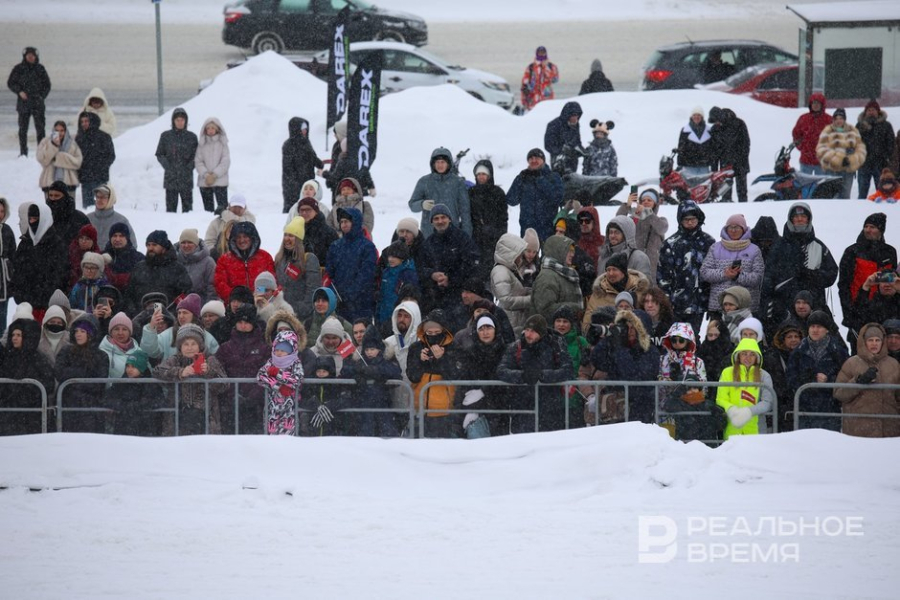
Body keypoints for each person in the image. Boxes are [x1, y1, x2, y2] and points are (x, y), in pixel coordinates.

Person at [760, 203, 838, 334]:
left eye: (803, 216)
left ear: (809, 219)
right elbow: (768, 276)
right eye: (796, 216)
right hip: (783, 307)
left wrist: (813, 275)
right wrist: (770, 301)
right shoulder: (779, 246)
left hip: (814, 306)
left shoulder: (819, 246)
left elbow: (832, 274)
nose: (800, 219)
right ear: (791, 220)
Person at [153, 323, 227, 435]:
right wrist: (180, 372)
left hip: (206, 417)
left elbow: (224, 385)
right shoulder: (174, 360)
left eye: (193, 344)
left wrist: (208, 372)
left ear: (200, 346)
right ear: (180, 347)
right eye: (185, 344)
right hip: (177, 417)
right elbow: (157, 372)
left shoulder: (210, 360)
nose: (189, 348)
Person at [589, 309, 660, 424]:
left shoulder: (651, 351)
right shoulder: (617, 346)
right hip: (614, 409)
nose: (629, 331)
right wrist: (609, 338)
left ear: (641, 330)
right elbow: (597, 360)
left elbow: (631, 374)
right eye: (626, 327)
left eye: (633, 328)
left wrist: (619, 348)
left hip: (639, 410)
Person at [838, 213, 897, 350]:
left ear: (881, 230)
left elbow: (891, 281)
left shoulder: (889, 252)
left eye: (873, 227)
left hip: (885, 311)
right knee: (859, 357)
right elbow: (843, 286)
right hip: (859, 310)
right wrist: (849, 315)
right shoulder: (852, 251)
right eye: (866, 226)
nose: (868, 230)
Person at [656, 200, 715, 334]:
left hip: (700, 303)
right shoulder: (670, 244)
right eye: (686, 219)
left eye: (693, 219)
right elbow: (663, 276)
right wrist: (666, 302)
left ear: (699, 219)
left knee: (693, 338)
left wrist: (712, 302)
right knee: (675, 338)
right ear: (680, 220)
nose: (690, 222)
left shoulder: (709, 242)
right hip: (676, 304)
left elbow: (714, 274)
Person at [787, 310, 848, 432]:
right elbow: (790, 379)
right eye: (812, 326)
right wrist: (809, 380)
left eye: (819, 327)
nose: (815, 330)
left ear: (827, 329)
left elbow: (846, 378)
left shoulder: (838, 351)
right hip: (805, 409)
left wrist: (829, 380)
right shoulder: (798, 352)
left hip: (830, 409)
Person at [835, 323, 900, 438]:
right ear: (864, 341)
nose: (874, 343)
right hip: (858, 431)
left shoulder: (894, 364)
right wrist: (859, 382)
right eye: (870, 340)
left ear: (882, 342)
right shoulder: (851, 363)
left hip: (888, 430)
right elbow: (839, 393)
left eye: (877, 340)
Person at [454, 313, 511, 437]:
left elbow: (505, 384)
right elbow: (464, 387)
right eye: (481, 329)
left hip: (500, 413)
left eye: (489, 328)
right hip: (476, 414)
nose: (485, 332)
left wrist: (483, 393)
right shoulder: (470, 354)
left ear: (495, 329)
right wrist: (471, 410)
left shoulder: (506, 352)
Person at [214, 303, 268, 434]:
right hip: (229, 406)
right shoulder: (225, 348)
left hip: (256, 407)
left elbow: (267, 373)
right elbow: (218, 373)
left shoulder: (264, 348)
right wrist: (233, 394)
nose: (243, 325)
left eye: (247, 322)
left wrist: (253, 396)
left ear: (253, 323)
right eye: (240, 322)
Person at [418, 204, 480, 316]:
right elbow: (421, 268)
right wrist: (432, 275)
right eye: (436, 218)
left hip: (460, 297)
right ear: (432, 222)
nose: (440, 221)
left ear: (449, 219)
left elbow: (472, 265)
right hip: (436, 298)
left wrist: (450, 279)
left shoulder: (462, 238)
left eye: (443, 217)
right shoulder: (428, 243)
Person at [340, 326, 402, 437]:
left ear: (380, 349)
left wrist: (376, 371)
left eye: (372, 349)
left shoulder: (385, 361)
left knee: (386, 436)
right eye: (367, 350)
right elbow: (345, 371)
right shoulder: (359, 362)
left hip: (382, 406)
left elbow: (395, 372)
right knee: (365, 436)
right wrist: (358, 373)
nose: (369, 353)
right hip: (362, 406)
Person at [700, 214, 765, 315]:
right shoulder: (715, 248)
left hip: (746, 308)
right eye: (731, 227)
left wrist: (738, 276)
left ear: (744, 229)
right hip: (719, 307)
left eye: (737, 227)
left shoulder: (754, 250)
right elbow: (704, 272)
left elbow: (758, 277)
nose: (733, 230)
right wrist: (725, 274)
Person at [54, 314, 109, 433]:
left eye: (83, 331)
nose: (78, 334)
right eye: (76, 331)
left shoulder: (101, 356)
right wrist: (83, 375)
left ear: (91, 334)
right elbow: (59, 373)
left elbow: (99, 384)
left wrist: (73, 382)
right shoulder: (66, 351)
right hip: (67, 405)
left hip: (91, 408)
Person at [0, 318, 55, 436]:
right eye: (13, 334)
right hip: (8, 412)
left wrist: (27, 388)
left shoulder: (39, 359)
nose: (14, 338)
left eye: (19, 335)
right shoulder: (7, 359)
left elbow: (48, 384)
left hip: (31, 413)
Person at [12, 202, 66, 321]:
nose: (32, 222)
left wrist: (44, 296)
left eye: (36, 218)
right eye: (30, 218)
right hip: (25, 306)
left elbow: (59, 274)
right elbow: (17, 270)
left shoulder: (56, 244)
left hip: (47, 307)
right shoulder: (25, 242)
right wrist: (20, 295)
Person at [325, 207, 378, 322]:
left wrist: (351, 294)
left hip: (361, 303)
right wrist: (336, 294)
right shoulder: (335, 246)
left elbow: (367, 275)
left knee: (360, 336)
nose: (344, 224)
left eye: (347, 221)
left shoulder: (367, 247)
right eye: (341, 222)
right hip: (340, 303)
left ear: (355, 222)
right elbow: (330, 272)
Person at [123, 230, 192, 317]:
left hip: (168, 320)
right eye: (148, 245)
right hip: (141, 318)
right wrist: (135, 313)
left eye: (154, 245)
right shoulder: (139, 268)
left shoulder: (177, 269)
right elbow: (129, 295)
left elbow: (185, 295)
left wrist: (171, 315)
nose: (150, 248)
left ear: (164, 247)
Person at [716, 338, 774, 439]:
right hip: (732, 430)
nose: (748, 357)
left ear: (757, 357)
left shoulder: (764, 375)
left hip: (757, 431)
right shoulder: (727, 372)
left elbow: (767, 403)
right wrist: (731, 410)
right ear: (738, 355)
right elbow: (720, 398)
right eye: (744, 353)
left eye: (752, 354)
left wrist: (749, 412)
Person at [408, 147, 472, 238]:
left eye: (443, 162)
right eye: (437, 162)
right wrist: (422, 204)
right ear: (433, 164)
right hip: (429, 234)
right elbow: (412, 205)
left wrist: (467, 236)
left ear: (448, 163)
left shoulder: (458, 182)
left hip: (452, 234)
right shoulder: (424, 181)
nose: (440, 165)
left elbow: (465, 212)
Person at [140, 293, 220, 362]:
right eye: (179, 313)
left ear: (194, 315)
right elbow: (150, 352)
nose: (181, 316)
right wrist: (151, 327)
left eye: (185, 313)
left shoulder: (208, 338)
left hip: (199, 378)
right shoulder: (168, 334)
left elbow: (215, 362)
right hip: (172, 378)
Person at [507, 148, 564, 242]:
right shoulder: (523, 177)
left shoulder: (553, 176)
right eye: (531, 158)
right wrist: (519, 181)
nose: (533, 160)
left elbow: (558, 197)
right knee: (527, 256)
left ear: (543, 160)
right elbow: (511, 200)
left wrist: (540, 180)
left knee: (549, 256)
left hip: (548, 228)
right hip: (528, 229)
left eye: (537, 158)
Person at [583, 252, 649, 332]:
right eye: (608, 270)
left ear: (623, 272)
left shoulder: (640, 289)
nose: (611, 273)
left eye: (614, 269)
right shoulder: (599, 293)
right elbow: (587, 323)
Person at [104, 348, 164, 436]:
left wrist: (134, 406)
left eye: (134, 366)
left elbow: (159, 402)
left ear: (142, 367)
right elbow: (108, 397)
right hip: (124, 427)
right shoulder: (122, 382)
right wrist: (122, 405)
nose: (129, 370)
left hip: (145, 428)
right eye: (128, 366)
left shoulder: (151, 383)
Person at [256, 330, 304, 435]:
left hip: (289, 408)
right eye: (277, 349)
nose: (279, 352)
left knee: (288, 435)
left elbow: (297, 379)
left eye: (283, 350)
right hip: (271, 407)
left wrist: (278, 374)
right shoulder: (271, 361)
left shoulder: (295, 363)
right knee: (271, 436)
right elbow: (260, 376)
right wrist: (278, 386)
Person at [213, 221, 275, 304]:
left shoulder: (265, 257)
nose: (242, 240)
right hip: (235, 308)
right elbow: (220, 285)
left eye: (245, 236)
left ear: (252, 238)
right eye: (238, 237)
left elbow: (271, 281)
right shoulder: (224, 260)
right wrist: (238, 298)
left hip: (261, 304)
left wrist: (257, 294)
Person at [468, 159, 508, 282]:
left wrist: (496, 233)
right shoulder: (471, 192)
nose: (481, 177)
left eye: (483, 174)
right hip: (475, 239)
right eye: (478, 174)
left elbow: (503, 219)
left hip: (493, 241)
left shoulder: (498, 193)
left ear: (489, 175)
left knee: (492, 274)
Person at [275, 217, 322, 322]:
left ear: (298, 239)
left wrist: (301, 310)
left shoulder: (309, 259)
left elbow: (313, 290)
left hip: (302, 316)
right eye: (285, 235)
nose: (287, 238)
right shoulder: (279, 259)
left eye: (291, 235)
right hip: (282, 313)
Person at [7, 46, 51, 157]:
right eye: (29, 56)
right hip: (23, 104)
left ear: (36, 57)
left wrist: (41, 96)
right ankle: (23, 153)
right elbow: (10, 83)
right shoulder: (18, 68)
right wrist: (19, 91)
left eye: (33, 56)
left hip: (38, 104)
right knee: (23, 130)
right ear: (25, 56)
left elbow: (47, 85)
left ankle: (41, 153)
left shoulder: (40, 69)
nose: (31, 58)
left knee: (40, 130)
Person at [616, 188, 668, 278]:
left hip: (653, 266)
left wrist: (648, 213)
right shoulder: (634, 219)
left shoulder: (660, 220)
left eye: (649, 200)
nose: (646, 202)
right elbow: (619, 221)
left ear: (655, 203)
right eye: (643, 200)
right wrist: (626, 206)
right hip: (634, 263)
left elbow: (662, 228)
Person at [531, 234, 583, 324]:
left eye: (573, 251)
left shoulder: (565, 273)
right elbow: (545, 310)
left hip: (563, 330)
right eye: (569, 251)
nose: (572, 254)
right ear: (558, 252)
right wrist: (574, 308)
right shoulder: (547, 277)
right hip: (552, 332)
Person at [763, 319, 803, 433]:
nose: (794, 340)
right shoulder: (772, 357)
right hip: (780, 409)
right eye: (789, 337)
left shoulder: (805, 355)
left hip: (801, 406)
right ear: (782, 339)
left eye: (796, 336)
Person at [155, 107, 198, 212]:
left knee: (188, 210)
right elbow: (159, 154)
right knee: (170, 209)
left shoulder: (192, 137)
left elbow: (197, 156)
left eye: (182, 120)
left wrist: (188, 168)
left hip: (186, 179)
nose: (180, 122)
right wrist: (168, 167)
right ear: (173, 121)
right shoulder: (166, 136)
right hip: (171, 179)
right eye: (177, 120)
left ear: (186, 121)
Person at [816, 107, 866, 198]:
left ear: (844, 119)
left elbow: (860, 149)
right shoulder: (827, 131)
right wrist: (836, 159)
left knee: (845, 196)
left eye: (841, 118)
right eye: (836, 118)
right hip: (832, 170)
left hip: (848, 171)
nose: (839, 121)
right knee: (831, 196)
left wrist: (851, 159)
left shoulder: (853, 131)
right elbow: (821, 150)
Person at [281, 117, 323, 213]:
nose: (305, 131)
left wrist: (318, 163)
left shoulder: (306, 142)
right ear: (296, 129)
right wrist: (294, 184)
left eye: (306, 129)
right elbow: (288, 168)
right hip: (294, 184)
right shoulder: (289, 145)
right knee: (294, 209)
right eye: (302, 129)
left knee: (308, 206)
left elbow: (312, 156)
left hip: (307, 180)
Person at [596, 215, 653, 285]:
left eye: (617, 232)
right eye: (611, 232)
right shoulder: (603, 256)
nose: (613, 236)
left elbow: (645, 287)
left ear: (626, 235)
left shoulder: (639, 258)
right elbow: (599, 284)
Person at [375, 240, 418, 332]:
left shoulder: (408, 274)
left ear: (402, 258)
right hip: (384, 317)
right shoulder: (386, 272)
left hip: (400, 320)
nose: (390, 259)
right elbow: (382, 299)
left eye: (394, 256)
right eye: (389, 256)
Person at [709, 107, 750, 202]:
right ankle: (727, 208)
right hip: (725, 165)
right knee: (725, 192)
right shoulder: (715, 129)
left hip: (741, 163)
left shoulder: (739, 123)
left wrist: (740, 158)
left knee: (742, 191)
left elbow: (746, 144)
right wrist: (714, 169)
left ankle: (744, 208)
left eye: (717, 121)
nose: (716, 124)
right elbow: (714, 150)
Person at [856, 100, 896, 199]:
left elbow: (891, 143)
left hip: (881, 164)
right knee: (862, 191)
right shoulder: (860, 125)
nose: (871, 112)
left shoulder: (886, 125)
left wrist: (887, 158)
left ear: (878, 111)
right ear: (865, 112)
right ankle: (859, 209)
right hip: (864, 164)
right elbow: (855, 143)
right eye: (869, 110)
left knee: (884, 191)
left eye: (873, 110)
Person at [74, 112, 115, 208]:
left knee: (102, 206)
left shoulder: (104, 137)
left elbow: (111, 156)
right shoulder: (79, 138)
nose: (84, 123)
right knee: (88, 208)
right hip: (85, 179)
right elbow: (75, 157)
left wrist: (101, 167)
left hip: (100, 178)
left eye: (86, 121)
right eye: (82, 121)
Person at [203, 194, 255, 263]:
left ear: (245, 208)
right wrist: (215, 252)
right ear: (229, 206)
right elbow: (208, 242)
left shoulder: (250, 221)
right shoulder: (217, 222)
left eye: (240, 207)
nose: (237, 209)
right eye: (234, 206)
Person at [194, 117, 230, 213]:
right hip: (205, 182)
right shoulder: (202, 144)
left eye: (212, 128)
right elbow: (198, 161)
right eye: (208, 128)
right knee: (208, 211)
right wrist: (206, 175)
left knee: (223, 211)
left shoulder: (223, 143)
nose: (210, 130)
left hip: (220, 181)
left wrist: (214, 175)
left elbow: (225, 161)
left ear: (217, 129)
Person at [792, 92, 832, 175]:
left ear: (822, 105)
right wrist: (802, 147)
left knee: (820, 186)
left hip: (822, 161)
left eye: (818, 103)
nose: (815, 105)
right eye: (814, 103)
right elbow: (796, 134)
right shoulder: (803, 118)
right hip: (806, 160)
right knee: (805, 185)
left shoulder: (829, 120)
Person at [37, 121, 82, 193]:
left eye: (62, 130)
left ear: (65, 131)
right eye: (57, 131)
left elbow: (78, 162)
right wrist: (53, 146)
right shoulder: (45, 142)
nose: (59, 133)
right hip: (49, 182)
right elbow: (42, 159)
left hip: (69, 182)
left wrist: (59, 158)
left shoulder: (72, 144)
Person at [176, 228, 216, 304]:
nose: (186, 245)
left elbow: (212, 288)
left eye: (190, 242)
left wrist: (208, 308)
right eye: (183, 242)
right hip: (178, 308)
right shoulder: (174, 261)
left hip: (200, 306)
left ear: (196, 244)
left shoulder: (208, 262)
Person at [87, 183, 134, 248]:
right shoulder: (87, 219)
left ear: (111, 199)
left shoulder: (121, 220)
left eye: (103, 197)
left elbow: (132, 245)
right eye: (97, 197)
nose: (99, 200)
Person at [293, 197, 337, 265]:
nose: (304, 213)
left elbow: (335, 258)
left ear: (316, 211)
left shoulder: (329, 232)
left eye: (308, 210)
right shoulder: (294, 231)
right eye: (301, 210)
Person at [103, 222, 144, 292]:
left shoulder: (138, 258)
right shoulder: (102, 256)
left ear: (127, 238)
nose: (117, 239)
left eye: (121, 236)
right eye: (114, 236)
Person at [544, 101, 583, 173]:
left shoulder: (575, 125)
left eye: (577, 115)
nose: (575, 118)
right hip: (558, 162)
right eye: (573, 115)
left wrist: (582, 151)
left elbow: (577, 142)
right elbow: (548, 145)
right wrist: (561, 150)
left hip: (572, 163)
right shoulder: (554, 125)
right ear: (567, 115)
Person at [677, 107, 714, 179]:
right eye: (694, 115)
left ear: (702, 117)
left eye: (699, 115)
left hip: (704, 165)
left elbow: (712, 147)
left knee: (704, 188)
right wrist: (680, 163)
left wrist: (711, 161)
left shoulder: (709, 130)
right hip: (689, 165)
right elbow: (681, 147)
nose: (696, 117)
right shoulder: (685, 130)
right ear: (691, 116)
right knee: (689, 188)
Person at [520, 45, 559, 111]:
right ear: (537, 53)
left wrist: (545, 67)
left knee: (546, 114)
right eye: (540, 52)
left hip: (546, 97)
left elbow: (555, 79)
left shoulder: (551, 66)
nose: (541, 54)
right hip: (533, 98)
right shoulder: (531, 67)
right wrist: (524, 100)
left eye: (543, 52)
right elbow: (524, 84)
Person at [0, 197, 17, 337]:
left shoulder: (7, 230)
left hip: (4, 279)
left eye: (1, 211)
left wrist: (11, 272)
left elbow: (13, 254)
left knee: (2, 313)